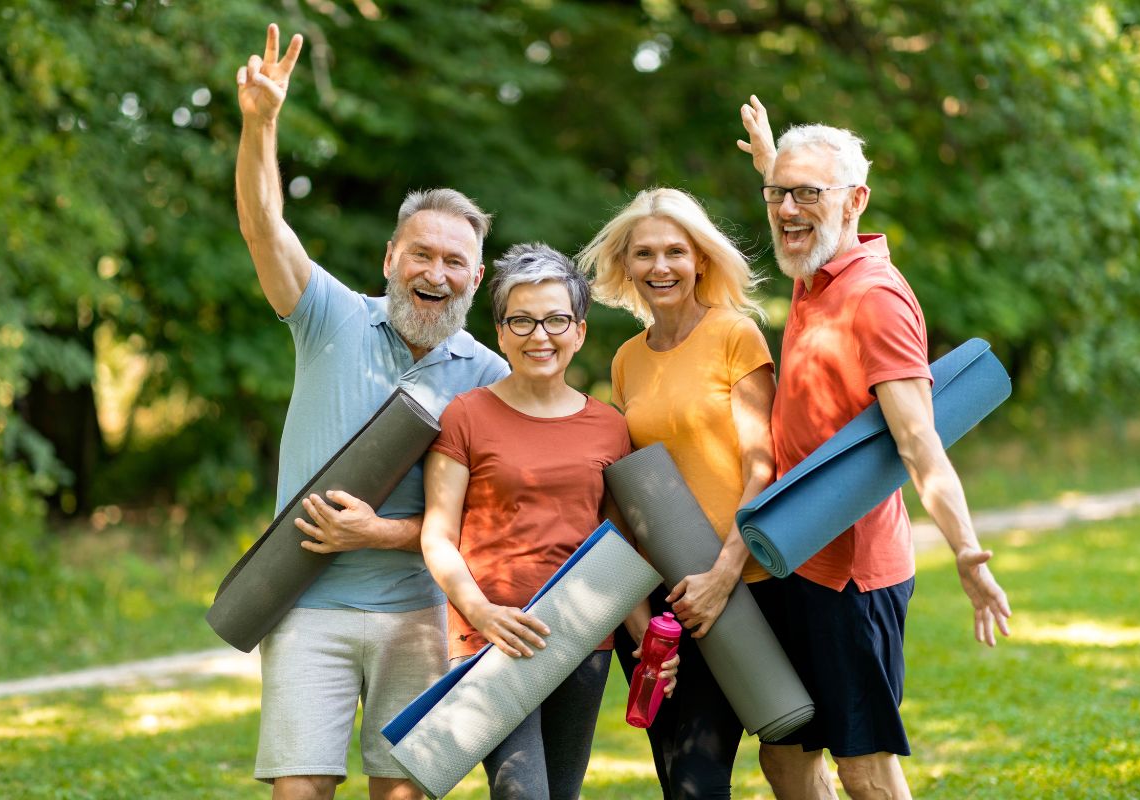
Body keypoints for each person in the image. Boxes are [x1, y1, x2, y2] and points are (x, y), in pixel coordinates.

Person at [234, 24, 509, 800]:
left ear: (475, 277)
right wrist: (261, 124)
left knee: (405, 795)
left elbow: (495, 517)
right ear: (391, 258)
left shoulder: (490, 377)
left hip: (422, 618)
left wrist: (382, 533)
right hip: (305, 606)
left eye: (455, 261)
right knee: (300, 793)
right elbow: (264, 226)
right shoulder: (331, 317)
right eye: (420, 253)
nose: (435, 271)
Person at [736, 96, 1013, 800]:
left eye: (807, 194)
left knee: (863, 766)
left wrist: (966, 549)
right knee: (785, 752)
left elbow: (921, 443)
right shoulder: (812, 265)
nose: (787, 209)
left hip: (850, 576)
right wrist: (775, 162)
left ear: (855, 201)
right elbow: (798, 210)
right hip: (796, 555)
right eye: (778, 194)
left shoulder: (875, 299)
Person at [419, 243, 676, 800]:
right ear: (501, 331)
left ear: (579, 330)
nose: (541, 335)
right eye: (523, 320)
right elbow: (437, 536)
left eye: (556, 319)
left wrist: (646, 648)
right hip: (492, 639)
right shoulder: (464, 415)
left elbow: (616, 548)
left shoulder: (610, 426)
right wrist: (482, 614)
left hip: (583, 637)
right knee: (523, 793)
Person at [577, 187, 778, 799]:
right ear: (625, 265)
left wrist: (722, 577)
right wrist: (637, 617)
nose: (659, 267)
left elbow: (762, 466)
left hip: (736, 587)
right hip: (661, 604)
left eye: (674, 252)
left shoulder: (734, 335)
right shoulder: (625, 361)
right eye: (644, 254)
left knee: (698, 781)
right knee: (677, 779)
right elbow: (626, 483)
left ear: (701, 260)